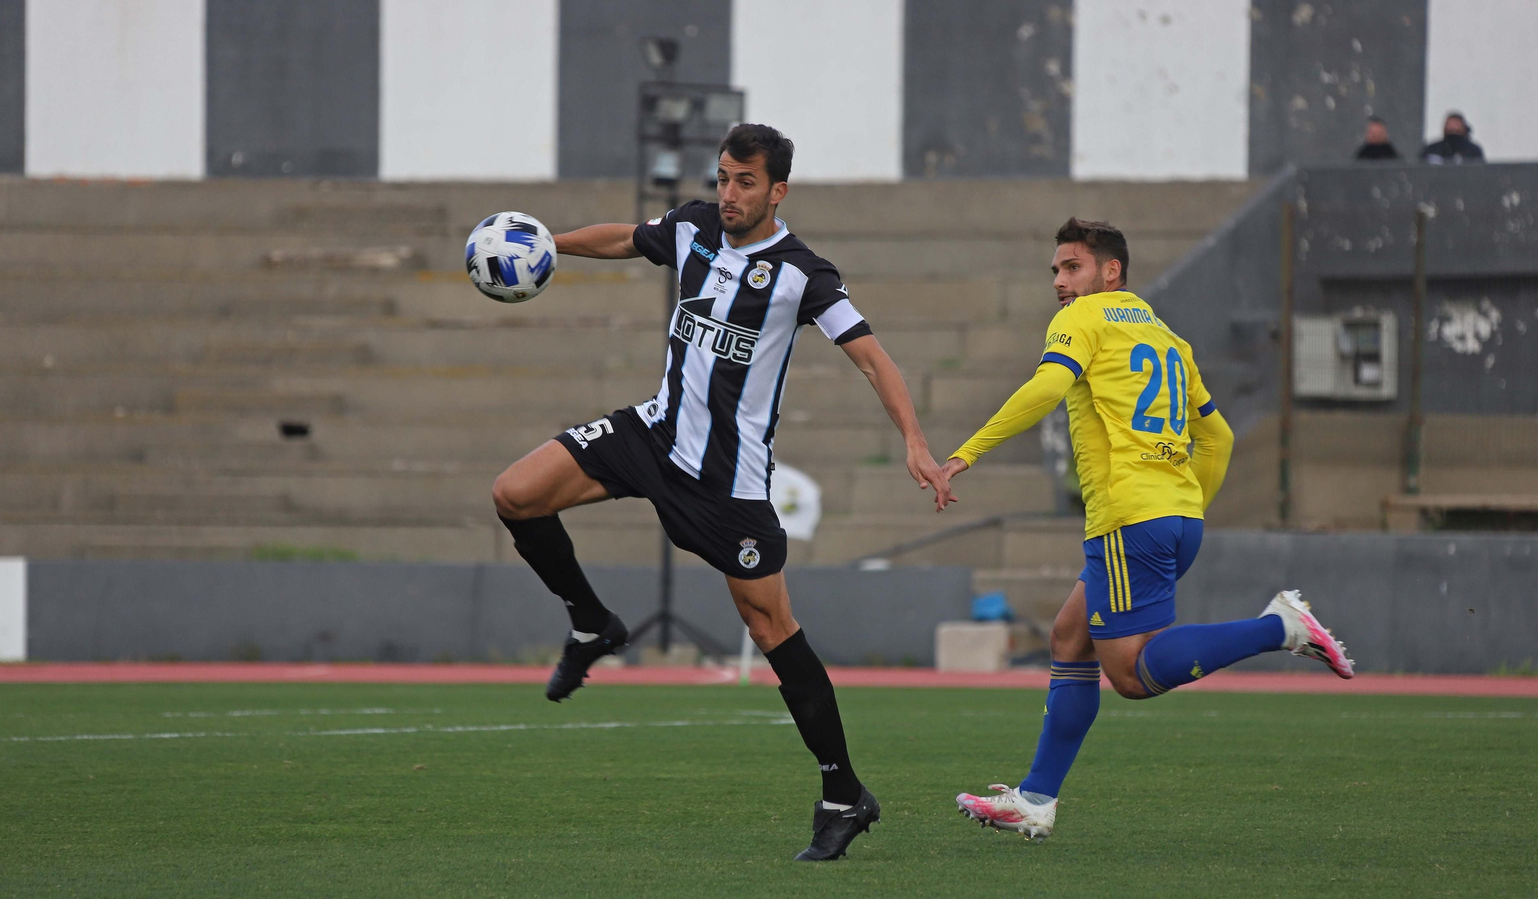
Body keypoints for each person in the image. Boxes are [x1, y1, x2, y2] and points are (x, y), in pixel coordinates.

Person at [490, 123, 955, 861]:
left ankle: (844, 792)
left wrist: (916, 442)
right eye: (722, 178)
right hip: (652, 434)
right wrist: (549, 245)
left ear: (779, 190)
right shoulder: (696, 228)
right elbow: (627, 239)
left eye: (745, 183)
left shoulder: (805, 273)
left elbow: (871, 357)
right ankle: (592, 623)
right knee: (515, 493)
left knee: (773, 631)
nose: (728, 195)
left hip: (726, 484)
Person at [943, 218, 1354, 841]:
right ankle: (1036, 799)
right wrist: (1189, 505)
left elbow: (1049, 386)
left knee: (1131, 677)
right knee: (1069, 638)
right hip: (1174, 516)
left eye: (1071, 267)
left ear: (1111, 271)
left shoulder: (1082, 320)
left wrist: (965, 454)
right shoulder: (1168, 336)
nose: (1059, 281)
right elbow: (1217, 435)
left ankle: (1282, 626)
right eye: (1055, 270)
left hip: (1128, 520)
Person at [1421, 112, 1485, 164]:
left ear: (1464, 130)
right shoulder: (1432, 149)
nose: (1453, 132)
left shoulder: (1473, 151)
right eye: (1450, 130)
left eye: (1457, 130)